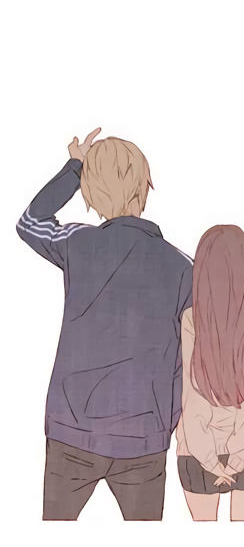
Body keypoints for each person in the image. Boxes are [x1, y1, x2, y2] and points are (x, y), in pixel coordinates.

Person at [17, 125, 192, 520]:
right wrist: (166, 422)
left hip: (71, 429)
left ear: (90, 192)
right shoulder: (184, 267)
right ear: (144, 186)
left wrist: (74, 167)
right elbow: (191, 355)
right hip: (145, 437)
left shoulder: (78, 243)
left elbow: (30, 222)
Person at [176, 223, 244, 521]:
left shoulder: (191, 319)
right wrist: (237, 461)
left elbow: (192, 397)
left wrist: (210, 461)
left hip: (195, 451)